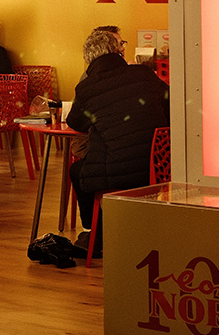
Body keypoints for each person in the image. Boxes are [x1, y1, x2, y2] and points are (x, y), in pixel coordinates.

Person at [65, 27, 169, 255]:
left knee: (78, 171)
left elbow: (75, 122)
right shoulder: (144, 74)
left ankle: (95, 234)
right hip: (160, 165)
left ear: (89, 59)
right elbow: (170, 105)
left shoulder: (87, 88)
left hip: (121, 171)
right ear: (117, 52)